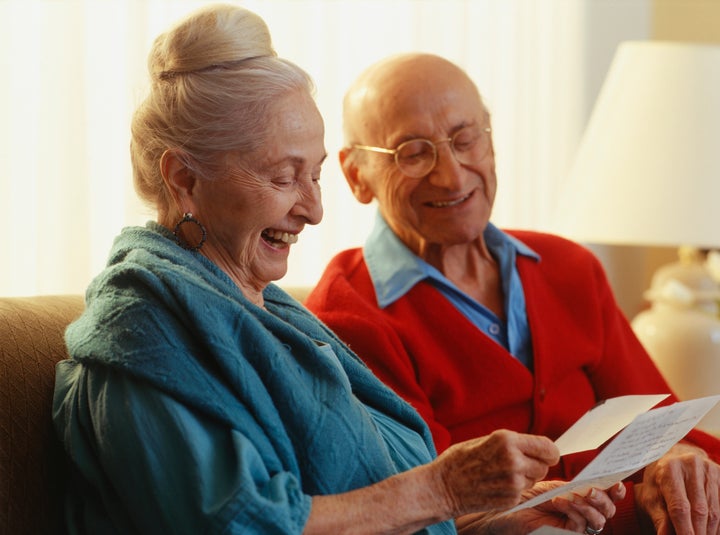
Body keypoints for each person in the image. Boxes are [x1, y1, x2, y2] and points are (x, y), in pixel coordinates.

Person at [51, 5, 623, 535]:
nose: (314, 210)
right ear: (183, 180)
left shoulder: (272, 311)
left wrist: (493, 518)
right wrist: (444, 489)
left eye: (315, 176)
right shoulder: (142, 329)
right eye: (282, 177)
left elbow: (389, 506)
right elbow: (241, 522)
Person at [304, 52, 720, 535]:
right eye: (413, 154)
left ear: (491, 141)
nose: (453, 176)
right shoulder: (348, 316)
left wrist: (679, 457)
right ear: (357, 175)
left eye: (465, 140)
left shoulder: (569, 267)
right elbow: (423, 505)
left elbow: (663, 421)